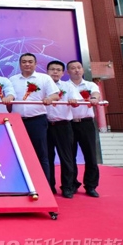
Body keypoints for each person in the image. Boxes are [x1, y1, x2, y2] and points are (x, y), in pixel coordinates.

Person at [9, 53, 60, 184]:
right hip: (17, 121)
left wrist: (49, 98)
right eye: (24, 62)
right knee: (18, 153)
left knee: (41, 153)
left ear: (35, 64)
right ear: (20, 64)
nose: (27, 64)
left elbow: (55, 95)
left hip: (37, 120)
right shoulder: (12, 80)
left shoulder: (44, 78)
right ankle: (20, 185)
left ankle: (44, 185)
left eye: (30, 62)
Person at [67, 60, 102, 198]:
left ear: (82, 70)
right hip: (69, 124)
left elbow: (96, 94)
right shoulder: (65, 86)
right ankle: (72, 184)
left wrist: (94, 98)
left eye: (79, 67)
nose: (76, 70)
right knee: (70, 156)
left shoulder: (90, 85)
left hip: (86, 124)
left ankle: (91, 186)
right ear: (68, 71)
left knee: (90, 155)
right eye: (73, 68)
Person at [46, 61, 79, 198]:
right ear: (47, 71)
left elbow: (76, 101)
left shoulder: (68, 86)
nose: (55, 72)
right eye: (52, 69)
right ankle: (49, 186)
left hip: (63, 125)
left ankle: (67, 187)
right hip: (46, 125)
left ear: (63, 73)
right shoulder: (42, 85)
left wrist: (74, 101)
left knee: (66, 158)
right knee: (47, 158)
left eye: (58, 70)